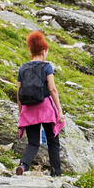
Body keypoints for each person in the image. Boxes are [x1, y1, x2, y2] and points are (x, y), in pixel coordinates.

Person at [16, 31, 64, 177]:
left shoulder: (22, 68)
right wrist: (60, 111)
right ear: (43, 51)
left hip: (29, 109)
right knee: (53, 142)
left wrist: (21, 112)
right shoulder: (47, 67)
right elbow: (52, 89)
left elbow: (19, 92)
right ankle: (56, 172)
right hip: (46, 109)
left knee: (33, 143)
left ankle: (23, 166)